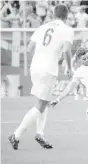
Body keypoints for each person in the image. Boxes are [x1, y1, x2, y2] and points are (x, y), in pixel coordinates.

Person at [8, 4, 74, 150]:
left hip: (35, 67)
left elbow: (29, 48)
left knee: (43, 102)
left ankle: (40, 133)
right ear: (66, 16)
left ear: (53, 14)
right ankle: (16, 135)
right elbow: (67, 51)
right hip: (48, 69)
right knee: (40, 105)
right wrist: (69, 68)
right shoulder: (67, 30)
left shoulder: (42, 27)